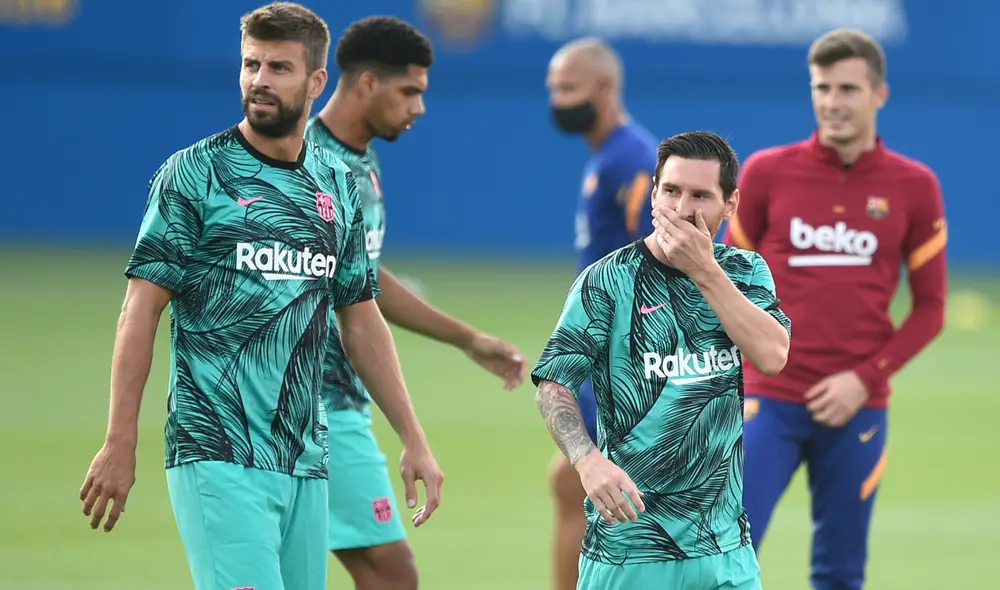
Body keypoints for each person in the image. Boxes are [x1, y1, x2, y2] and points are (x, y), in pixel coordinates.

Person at [78, 4, 443, 590]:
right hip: (216, 450)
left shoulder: (337, 186)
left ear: (316, 81)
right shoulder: (195, 175)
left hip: (306, 458)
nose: (259, 81)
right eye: (251, 64)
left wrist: (413, 436)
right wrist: (120, 440)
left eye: (279, 67)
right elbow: (140, 310)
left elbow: (361, 317)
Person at [304, 16, 528, 590]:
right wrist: (412, 433)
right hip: (311, 403)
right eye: (411, 92)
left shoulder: (362, 163)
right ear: (366, 83)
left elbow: (364, 278)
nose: (420, 108)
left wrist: (466, 338)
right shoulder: (308, 165)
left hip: (335, 403)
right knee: (390, 570)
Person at [723, 28, 947, 590]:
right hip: (765, 398)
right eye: (822, 87)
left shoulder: (914, 186)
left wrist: (864, 380)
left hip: (858, 408)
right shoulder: (766, 173)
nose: (832, 102)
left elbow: (931, 309)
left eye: (847, 88)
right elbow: (727, 285)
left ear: (879, 94)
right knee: (725, 553)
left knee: (840, 573)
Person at [532, 130, 792, 590]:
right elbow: (554, 384)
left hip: (724, 554)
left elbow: (772, 355)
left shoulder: (746, 274)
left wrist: (705, 271)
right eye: (670, 190)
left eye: (700, 195)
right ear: (653, 194)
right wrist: (587, 460)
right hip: (629, 551)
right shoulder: (608, 281)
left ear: (729, 205)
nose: (681, 207)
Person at [543, 36, 659, 590]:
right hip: (603, 359)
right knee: (574, 486)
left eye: (569, 88)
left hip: (626, 365)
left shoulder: (631, 160)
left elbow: (665, 259)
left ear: (605, 88)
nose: (558, 100)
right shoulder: (607, 157)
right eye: (554, 89)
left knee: (581, 487)